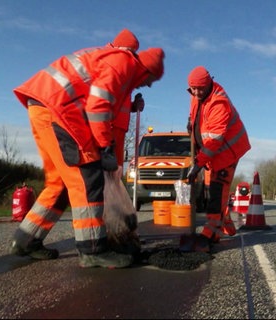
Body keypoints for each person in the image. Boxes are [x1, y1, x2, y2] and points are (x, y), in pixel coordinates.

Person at [10, 33, 165, 268]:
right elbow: (98, 106)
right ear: (147, 71)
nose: (148, 85)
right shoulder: (123, 63)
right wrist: (105, 147)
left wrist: (130, 108)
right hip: (59, 110)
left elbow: (101, 100)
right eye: (150, 80)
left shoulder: (111, 60)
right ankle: (92, 250)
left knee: (60, 184)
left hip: (43, 107)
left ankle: (26, 239)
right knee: (87, 177)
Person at [186, 66, 251, 252]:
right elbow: (197, 114)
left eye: (200, 88)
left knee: (216, 191)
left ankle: (211, 234)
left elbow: (214, 141)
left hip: (227, 151)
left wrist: (198, 164)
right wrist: (191, 122)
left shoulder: (219, 103)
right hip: (211, 152)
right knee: (210, 190)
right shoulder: (196, 94)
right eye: (193, 88)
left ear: (209, 84)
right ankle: (226, 225)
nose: (196, 92)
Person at [109, 29, 145, 175]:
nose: (131, 56)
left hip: (119, 129)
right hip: (106, 128)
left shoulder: (123, 68)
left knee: (115, 173)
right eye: (129, 52)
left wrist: (132, 106)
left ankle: (111, 198)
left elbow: (118, 101)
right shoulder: (108, 63)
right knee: (103, 174)